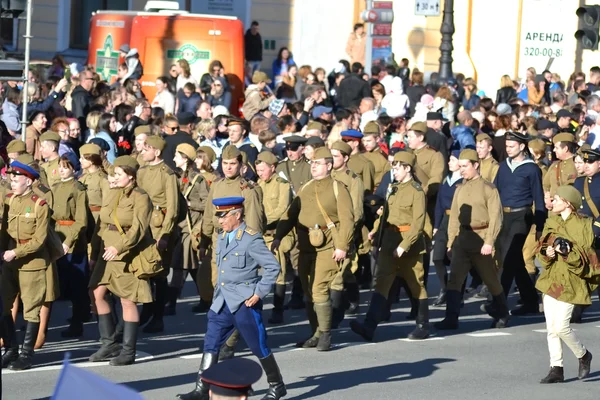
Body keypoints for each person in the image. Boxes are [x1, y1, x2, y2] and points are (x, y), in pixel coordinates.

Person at [178, 197, 286, 400]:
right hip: (222, 300)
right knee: (211, 342)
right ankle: (202, 387)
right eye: (218, 216)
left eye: (224, 216)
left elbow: (273, 267)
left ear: (237, 215)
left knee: (257, 344)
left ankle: (276, 385)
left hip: (244, 301)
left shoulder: (251, 239)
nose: (220, 220)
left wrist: (258, 293)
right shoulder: (222, 236)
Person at [273, 147, 354, 351]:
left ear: (329, 165)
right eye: (313, 163)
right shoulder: (306, 187)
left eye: (318, 163)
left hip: (329, 246)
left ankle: (326, 334)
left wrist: (342, 246)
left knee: (319, 288)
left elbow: (347, 219)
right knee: (309, 290)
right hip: (306, 244)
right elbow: (290, 214)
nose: (314, 166)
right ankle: (315, 332)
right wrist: (278, 236)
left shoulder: (338, 188)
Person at [350, 151, 430, 341]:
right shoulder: (393, 188)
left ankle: (423, 325)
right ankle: (369, 326)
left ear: (407, 168)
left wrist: (404, 246)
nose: (393, 169)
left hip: (408, 246)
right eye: (393, 165)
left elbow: (418, 224)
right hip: (389, 242)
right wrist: (376, 232)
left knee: (415, 284)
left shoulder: (416, 191)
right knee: (381, 283)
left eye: (396, 166)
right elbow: (386, 215)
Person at [198, 145, 265, 359]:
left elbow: (254, 221)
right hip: (220, 242)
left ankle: (231, 339)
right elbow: (210, 213)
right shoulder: (216, 185)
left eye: (232, 164)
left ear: (241, 166)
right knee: (218, 288)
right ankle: (225, 334)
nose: (228, 168)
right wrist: (204, 238)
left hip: (239, 245)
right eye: (225, 164)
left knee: (236, 292)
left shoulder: (248, 189)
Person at [89, 155, 155, 366]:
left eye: (118, 174)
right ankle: (109, 343)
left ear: (131, 176)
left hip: (127, 253)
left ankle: (128, 350)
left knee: (127, 299)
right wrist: (95, 252)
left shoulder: (140, 197)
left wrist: (119, 247)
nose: (114, 177)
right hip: (106, 251)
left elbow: (138, 229)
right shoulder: (112, 192)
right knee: (97, 293)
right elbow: (102, 223)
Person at [435, 149, 509, 330]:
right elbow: (454, 218)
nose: (462, 170)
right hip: (463, 240)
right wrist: (451, 243)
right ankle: (451, 318)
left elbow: (496, 217)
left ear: (476, 165)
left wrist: (489, 242)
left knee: (490, 279)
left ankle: (502, 313)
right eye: (460, 166)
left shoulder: (488, 188)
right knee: (455, 280)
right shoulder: (459, 188)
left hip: (482, 239)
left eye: (465, 166)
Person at [536, 185, 595, 383]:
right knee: (551, 328)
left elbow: (586, 256)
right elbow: (541, 248)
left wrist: (567, 252)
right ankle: (556, 368)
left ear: (568, 203)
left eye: (557, 199)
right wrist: (547, 253)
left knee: (561, 326)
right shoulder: (551, 221)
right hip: (552, 279)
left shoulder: (584, 225)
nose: (553, 202)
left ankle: (583, 355)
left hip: (572, 282)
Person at [0, 160, 52, 370]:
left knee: (31, 309)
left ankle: (26, 354)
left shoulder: (40, 205)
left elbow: (39, 240)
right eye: (11, 179)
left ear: (29, 181)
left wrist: (16, 252)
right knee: (4, 306)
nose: (12, 182)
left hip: (32, 262)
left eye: (17, 179)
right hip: (8, 261)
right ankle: (11, 349)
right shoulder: (8, 201)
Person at [494, 131, 545, 315]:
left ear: (522, 147)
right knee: (515, 261)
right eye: (506, 146)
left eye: (511, 146)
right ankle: (531, 301)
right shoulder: (503, 167)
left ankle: (498, 303)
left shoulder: (531, 169)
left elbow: (539, 199)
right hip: (503, 217)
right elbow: (495, 193)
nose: (508, 149)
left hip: (521, 217)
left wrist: (540, 226)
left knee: (509, 259)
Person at [137, 135, 180, 334]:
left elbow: (172, 207)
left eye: (146, 149)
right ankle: (147, 310)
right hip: (143, 226)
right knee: (145, 271)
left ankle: (157, 316)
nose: (142, 152)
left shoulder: (167, 174)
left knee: (160, 273)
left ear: (157, 151)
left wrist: (165, 234)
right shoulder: (142, 171)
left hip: (159, 227)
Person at [165, 143, 209, 316]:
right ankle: (206, 298)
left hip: (190, 229)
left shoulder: (198, 180)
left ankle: (171, 303)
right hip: (179, 227)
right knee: (190, 266)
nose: (174, 158)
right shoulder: (176, 177)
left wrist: (191, 204)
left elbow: (207, 203)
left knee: (179, 264)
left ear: (185, 158)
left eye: (177, 155)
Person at [51, 154, 90, 337]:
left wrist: (68, 242)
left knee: (77, 285)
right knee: (60, 282)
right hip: (57, 236)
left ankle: (77, 322)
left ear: (74, 169)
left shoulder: (78, 189)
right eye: (60, 166)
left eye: (66, 167)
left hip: (73, 241)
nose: (61, 170)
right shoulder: (56, 187)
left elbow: (81, 220)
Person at [255, 152, 293, 324]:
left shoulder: (282, 185)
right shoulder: (258, 184)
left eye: (263, 169)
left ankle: (278, 310)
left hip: (275, 234)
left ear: (272, 167)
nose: (259, 173)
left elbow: (282, 209)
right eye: (258, 170)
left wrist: (261, 221)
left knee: (279, 272)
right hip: (259, 234)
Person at [431, 150, 462, 306]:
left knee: (457, 260)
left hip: (458, 221)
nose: (449, 162)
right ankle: (444, 289)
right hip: (445, 220)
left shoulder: (464, 181)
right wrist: (436, 226)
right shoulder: (446, 180)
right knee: (437, 257)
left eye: (452, 160)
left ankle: (457, 295)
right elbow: (438, 204)